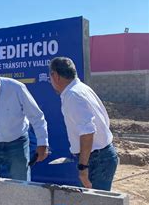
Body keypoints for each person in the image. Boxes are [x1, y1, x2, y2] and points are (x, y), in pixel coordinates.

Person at [49, 57, 118, 191]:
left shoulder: (73, 95)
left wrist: (83, 167)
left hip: (96, 160)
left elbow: (87, 132)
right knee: (96, 204)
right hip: (101, 156)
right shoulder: (81, 89)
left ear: (55, 76)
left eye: (50, 77)